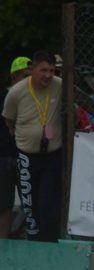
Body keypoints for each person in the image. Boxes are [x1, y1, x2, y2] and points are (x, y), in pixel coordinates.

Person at [2, 50, 63, 242]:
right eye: (43, 70)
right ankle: (34, 243)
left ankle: (50, 244)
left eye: (52, 71)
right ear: (33, 69)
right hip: (27, 155)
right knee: (30, 205)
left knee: (49, 204)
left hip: (52, 154)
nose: (48, 75)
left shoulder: (60, 86)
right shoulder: (16, 92)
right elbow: (8, 119)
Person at [0, 56, 30, 239]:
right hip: (5, 157)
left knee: (34, 205)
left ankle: (30, 243)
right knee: (4, 205)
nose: (27, 81)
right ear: (14, 76)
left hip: (30, 156)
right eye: (24, 76)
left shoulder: (37, 98)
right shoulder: (3, 97)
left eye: (29, 77)